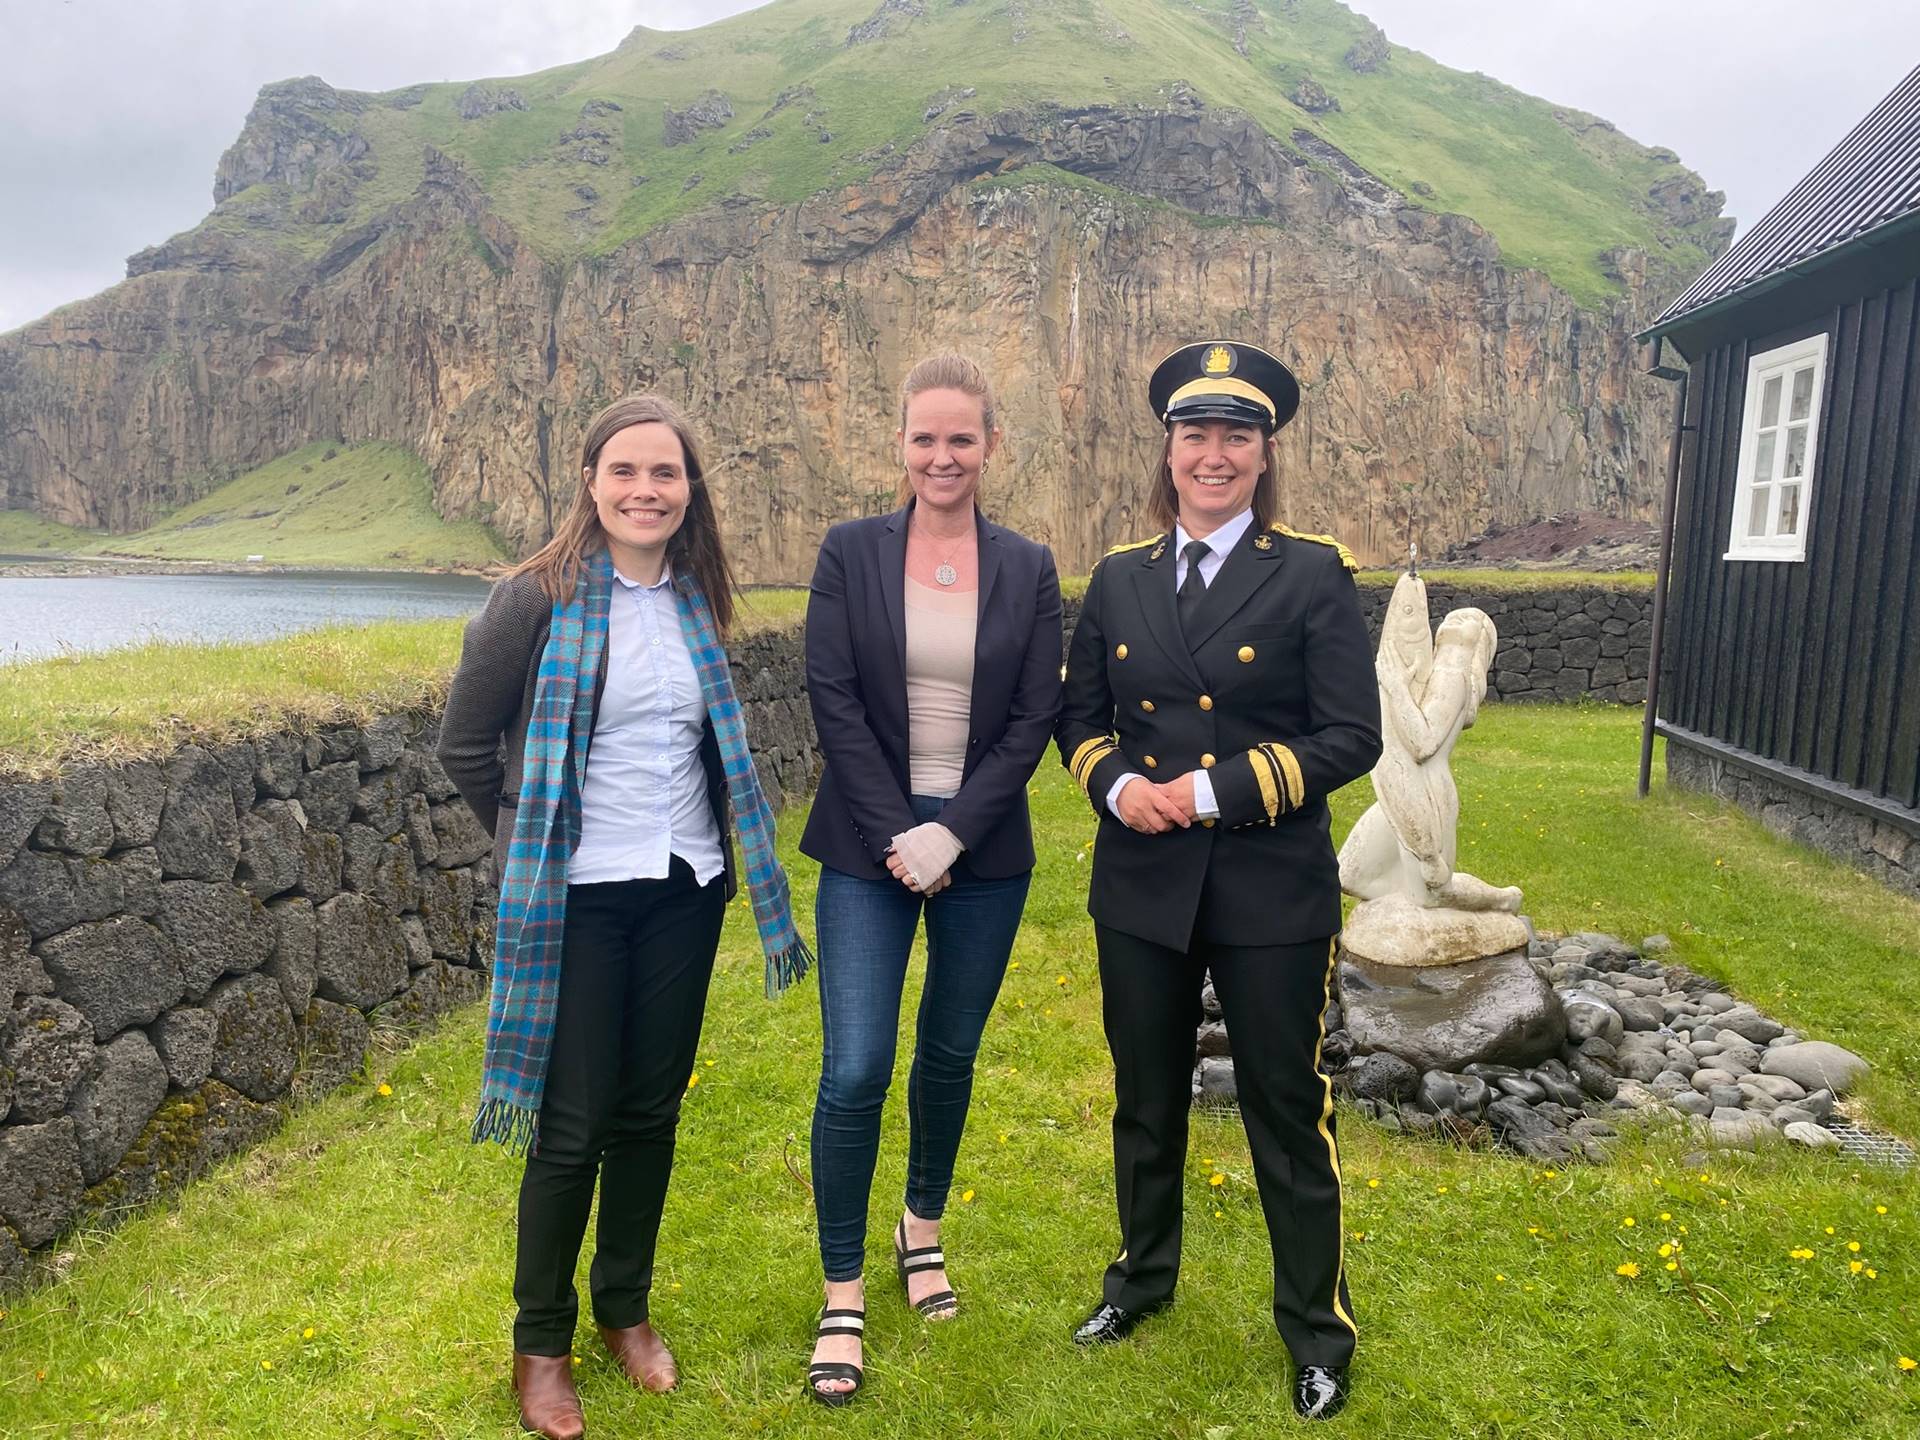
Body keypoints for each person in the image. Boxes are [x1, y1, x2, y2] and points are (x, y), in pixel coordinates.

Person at [438, 394, 810, 1440]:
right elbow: (466, 749)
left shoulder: (698, 597)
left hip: (684, 886)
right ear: (592, 482)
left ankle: (624, 1309)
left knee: (651, 1113)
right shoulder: (532, 599)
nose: (646, 490)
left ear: (689, 492)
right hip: (580, 901)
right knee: (573, 1129)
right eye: (627, 472)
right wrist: (530, 852)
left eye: (667, 474)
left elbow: (704, 745)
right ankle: (541, 1343)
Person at [1054, 341, 1383, 1422]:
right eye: (1195, 434)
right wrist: (1113, 789)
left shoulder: (1312, 572)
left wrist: (1206, 793)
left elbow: (1351, 736)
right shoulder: (1118, 575)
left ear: (1265, 450)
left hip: (1268, 880)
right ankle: (1139, 1283)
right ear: (1169, 447)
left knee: (1287, 1108)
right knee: (1146, 1102)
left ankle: (1317, 1332)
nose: (1213, 453)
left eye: (1235, 435)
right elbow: (1078, 719)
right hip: (1141, 880)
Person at [799, 353, 1063, 1405]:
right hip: (867, 854)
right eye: (924, 439)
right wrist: (901, 835)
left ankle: (923, 1229)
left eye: (962, 439)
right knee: (857, 1067)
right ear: (900, 445)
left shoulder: (1029, 566)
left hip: (985, 858)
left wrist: (952, 834)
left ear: (991, 445)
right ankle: (842, 1289)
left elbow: (1033, 717)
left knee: (947, 1055)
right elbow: (833, 699)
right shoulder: (851, 553)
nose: (942, 457)